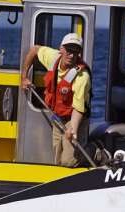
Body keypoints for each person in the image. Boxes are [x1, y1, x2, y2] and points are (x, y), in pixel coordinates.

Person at [21, 33, 91, 167]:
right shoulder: (53, 58)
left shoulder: (82, 76)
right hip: (58, 116)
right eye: (69, 50)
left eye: (76, 51)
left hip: (74, 117)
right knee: (58, 160)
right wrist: (23, 77)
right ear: (61, 49)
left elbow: (79, 108)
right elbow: (34, 50)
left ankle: (96, 151)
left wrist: (73, 130)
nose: (71, 55)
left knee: (69, 161)